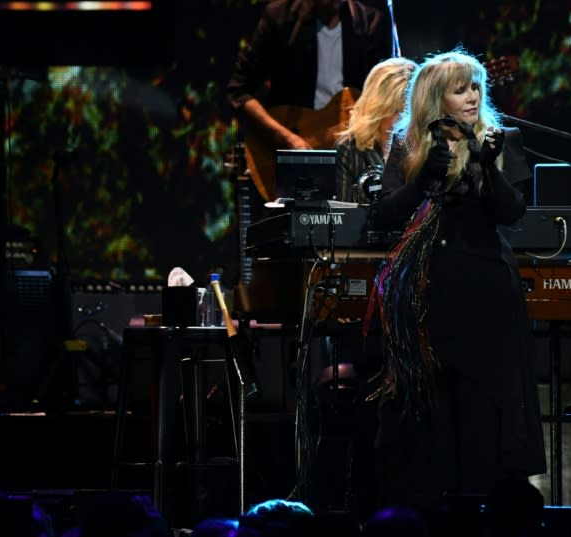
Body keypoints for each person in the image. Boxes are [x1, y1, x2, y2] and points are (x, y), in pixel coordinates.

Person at [369, 47, 547, 511]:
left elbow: (511, 214)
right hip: (430, 292)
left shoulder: (502, 139)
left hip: (487, 289)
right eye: (461, 88)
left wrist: (487, 167)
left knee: (486, 404)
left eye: (476, 87)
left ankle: (489, 501)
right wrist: (423, 178)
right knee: (437, 406)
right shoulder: (408, 143)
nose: (473, 96)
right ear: (435, 98)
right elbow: (386, 215)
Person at [226, 0, 395, 202]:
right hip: (290, 155)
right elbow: (240, 90)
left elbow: (388, 90)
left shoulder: (372, 19)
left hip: (354, 161)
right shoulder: (280, 16)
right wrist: (287, 138)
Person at [334, 56, 417, 203]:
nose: (404, 120)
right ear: (377, 110)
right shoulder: (350, 149)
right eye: (397, 111)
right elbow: (344, 218)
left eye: (410, 112)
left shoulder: (430, 148)